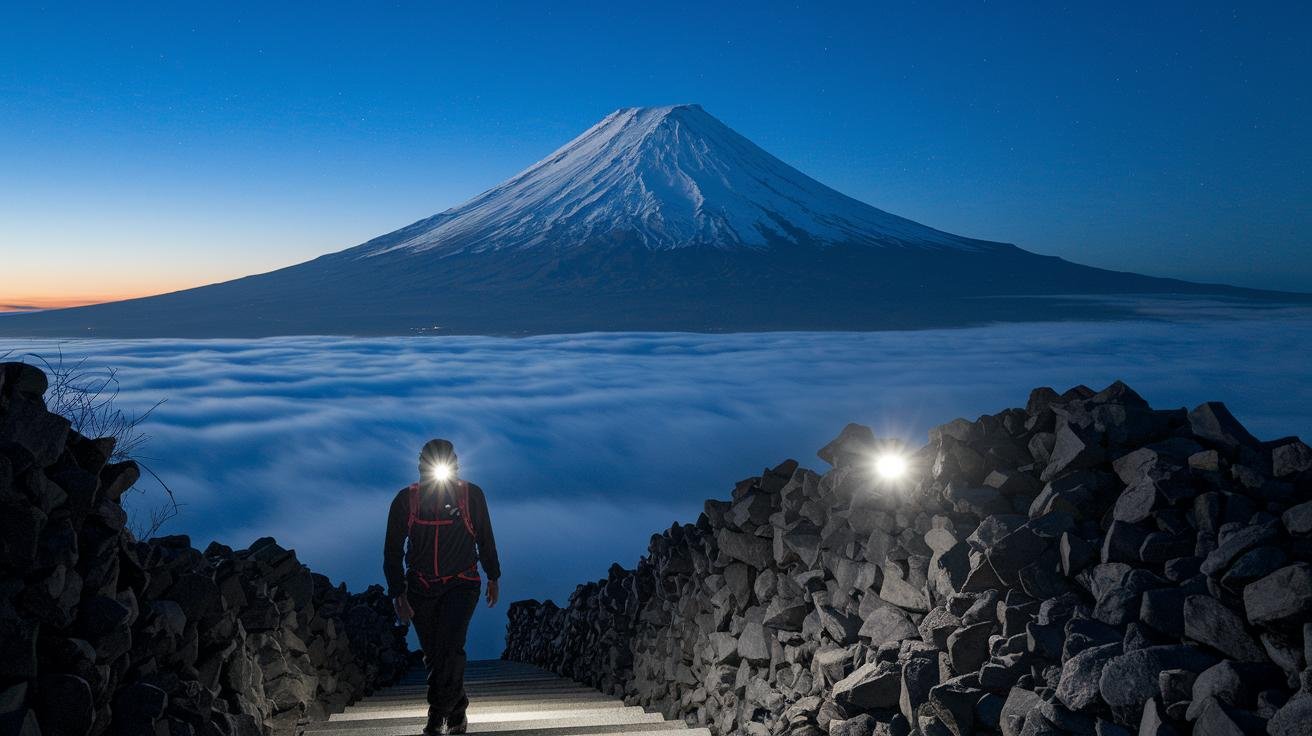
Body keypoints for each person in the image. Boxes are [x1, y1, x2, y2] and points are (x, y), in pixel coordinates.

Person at [383, 439, 500, 735]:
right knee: (434, 654)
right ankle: (458, 709)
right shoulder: (404, 501)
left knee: (450, 647)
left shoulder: (471, 496)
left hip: (462, 584)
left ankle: (437, 716)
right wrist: (398, 592)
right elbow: (392, 551)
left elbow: (485, 537)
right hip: (420, 587)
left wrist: (493, 576)